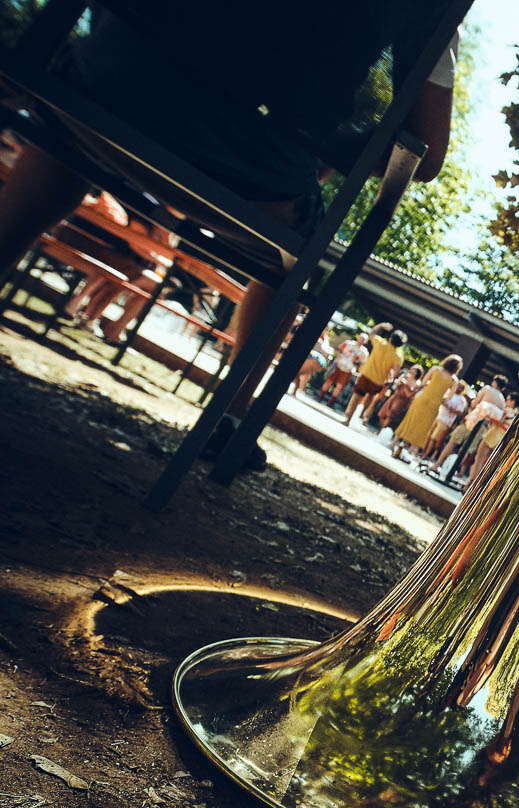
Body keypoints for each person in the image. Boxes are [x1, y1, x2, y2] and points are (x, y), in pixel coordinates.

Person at [0, 4, 458, 468]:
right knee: (294, 266)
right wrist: (328, 148)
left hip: (104, 88)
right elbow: (427, 154)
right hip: (257, 173)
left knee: (68, 135)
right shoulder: (432, 9)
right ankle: (229, 418)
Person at [392, 354, 461, 459]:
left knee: (410, 420)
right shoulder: (454, 380)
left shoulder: (435, 369)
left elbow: (423, 382)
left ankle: (395, 441)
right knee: (424, 427)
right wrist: (439, 396)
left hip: (423, 398)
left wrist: (431, 386)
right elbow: (449, 398)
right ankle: (412, 450)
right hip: (435, 404)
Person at [344, 324, 407, 426]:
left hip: (366, 374)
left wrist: (381, 326)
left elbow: (371, 334)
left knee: (357, 396)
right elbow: (396, 371)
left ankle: (348, 418)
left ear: (390, 338)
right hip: (379, 381)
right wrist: (390, 378)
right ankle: (362, 415)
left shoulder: (380, 342)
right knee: (370, 397)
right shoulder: (398, 356)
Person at [420, 377, 468, 461]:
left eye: (461, 387)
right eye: (458, 385)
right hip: (437, 415)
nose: (459, 388)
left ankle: (425, 455)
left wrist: (449, 407)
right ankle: (421, 451)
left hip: (446, 421)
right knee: (428, 435)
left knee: (434, 439)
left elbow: (459, 412)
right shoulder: (449, 392)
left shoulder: (462, 400)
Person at [318, 332, 367, 405]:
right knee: (329, 381)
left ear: (365, 341)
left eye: (363, 339)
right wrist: (338, 357)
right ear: (358, 337)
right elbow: (338, 349)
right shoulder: (349, 343)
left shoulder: (364, 352)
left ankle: (331, 402)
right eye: (361, 338)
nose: (361, 340)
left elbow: (362, 364)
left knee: (339, 386)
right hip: (338, 365)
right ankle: (320, 397)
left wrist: (356, 363)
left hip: (348, 370)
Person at [377, 363, 424, 431]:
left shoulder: (417, 383)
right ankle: (382, 428)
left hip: (401, 401)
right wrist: (399, 382)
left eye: (414, 369)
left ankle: (380, 431)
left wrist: (406, 385)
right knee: (382, 414)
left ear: (417, 372)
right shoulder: (406, 376)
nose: (412, 369)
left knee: (390, 415)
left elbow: (409, 395)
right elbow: (397, 384)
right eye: (412, 368)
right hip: (395, 396)